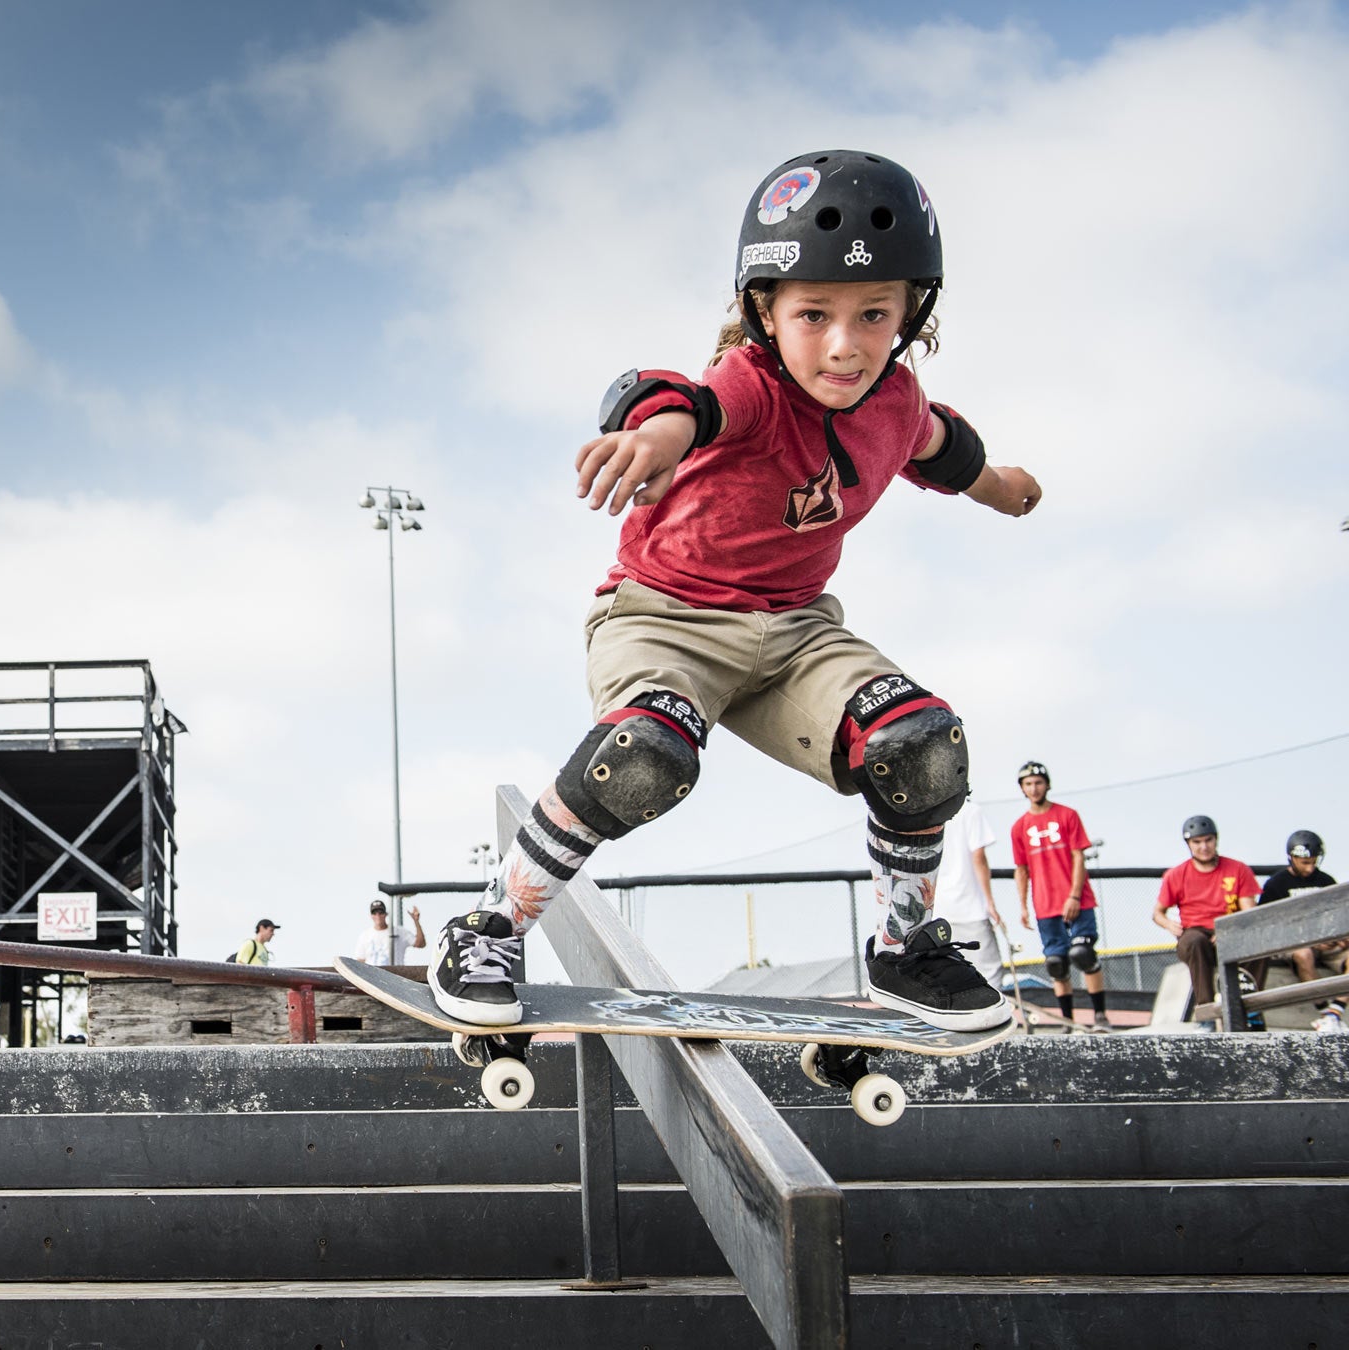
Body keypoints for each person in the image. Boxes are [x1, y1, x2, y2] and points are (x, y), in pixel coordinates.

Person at [428, 150, 1037, 1034]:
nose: (844, 345)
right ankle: (487, 928)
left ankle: (905, 954)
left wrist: (1004, 487)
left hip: (794, 636)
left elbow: (946, 448)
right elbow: (684, 401)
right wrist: (657, 436)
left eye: (874, 315)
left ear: (911, 314)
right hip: (663, 617)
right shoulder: (750, 383)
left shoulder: (896, 402)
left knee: (922, 744)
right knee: (644, 755)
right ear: (765, 312)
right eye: (814, 315)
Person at [1009, 761, 1107, 1029]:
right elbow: (1021, 869)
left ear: (1047, 784)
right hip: (1045, 904)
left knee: (1083, 954)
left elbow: (1079, 857)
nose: (1034, 788)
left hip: (1078, 901)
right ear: (1022, 789)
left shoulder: (1067, 815)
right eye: (1028, 784)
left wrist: (1074, 896)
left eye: (1038, 783)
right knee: (1056, 963)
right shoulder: (1019, 827)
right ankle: (1068, 1021)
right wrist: (1024, 907)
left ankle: (1100, 1015)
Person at [1152, 815, 1263, 1024]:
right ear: (1189, 844)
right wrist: (1168, 924)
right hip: (1195, 933)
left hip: (1229, 929)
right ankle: (1205, 1013)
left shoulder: (1238, 869)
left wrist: (1228, 931)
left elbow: (1249, 913)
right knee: (1195, 941)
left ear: (1216, 840)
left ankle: (1251, 1006)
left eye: (1208, 840)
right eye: (1197, 842)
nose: (1204, 847)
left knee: (1257, 938)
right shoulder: (1176, 875)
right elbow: (1157, 912)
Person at [931, 797, 1008, 991]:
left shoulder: (928, 813)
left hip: (939, 909)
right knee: (989, 970)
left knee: (948, 969)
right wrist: (990, 902)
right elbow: (979, 857)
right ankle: (990, 1017)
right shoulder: (970, 810)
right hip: (970, 907)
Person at [1258, 830, 1339, 987]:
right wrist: (1313, 941)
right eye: (1305, 863)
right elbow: (1267, 926)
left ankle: (1337, 1006)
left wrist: (1341, 937)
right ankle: (1322, 1005)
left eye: (1314, 862)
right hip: (1294, 942)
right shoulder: (1276, 884)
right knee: (1304, 954)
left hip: (1328, 941)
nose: (1310, 869)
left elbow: (1339, 915)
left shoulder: (1326, 881)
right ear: (1292, 858)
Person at [353, 900, 427, 966]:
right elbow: (360, 960)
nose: (377, 915)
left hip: (394, 977)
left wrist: (416, 921)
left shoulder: (399, 931)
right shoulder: (365, 935)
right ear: (371, 915)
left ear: (386, 914)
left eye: (381, 912)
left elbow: (420, 943)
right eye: (374, 913)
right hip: (372, 978)